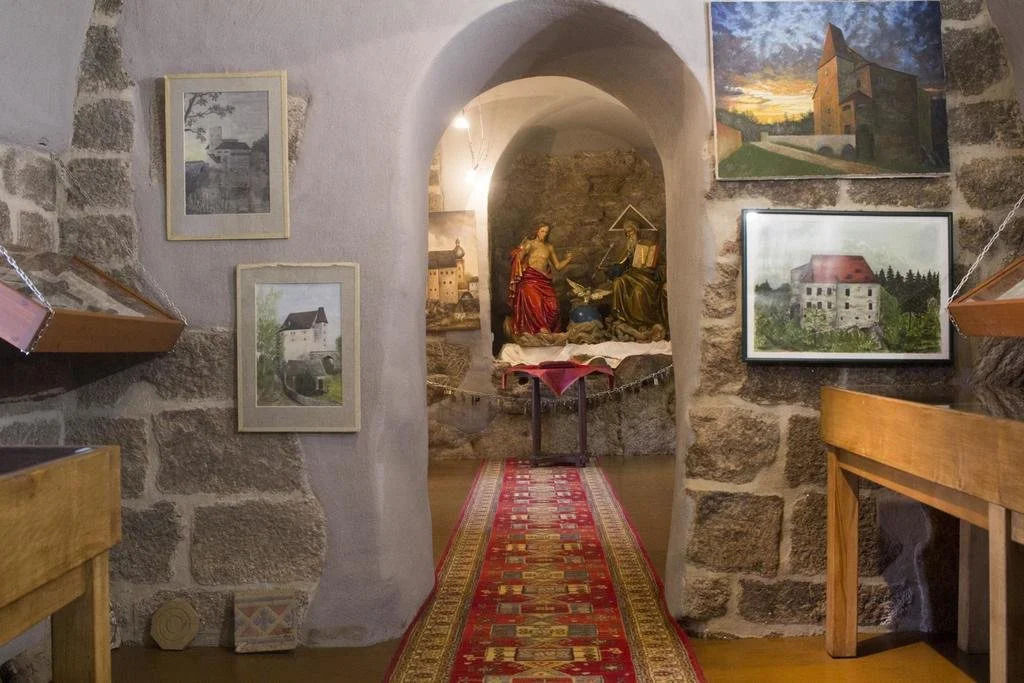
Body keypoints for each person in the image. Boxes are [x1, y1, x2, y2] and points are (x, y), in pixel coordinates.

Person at [507, 223, 572, 335]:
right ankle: (541, 328)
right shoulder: (530, 243)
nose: (544, 234)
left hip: (544, 280)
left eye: (546, 232)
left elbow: (557, 266)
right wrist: (521, 249)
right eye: (542, 231)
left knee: (554, 307)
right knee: (536, 303)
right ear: (537, 231)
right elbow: (518, 259)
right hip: (530, 279)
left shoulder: (549, 247)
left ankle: (547, 330)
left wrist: (567, 260)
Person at [607, 220, 666, 331]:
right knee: (618, 283)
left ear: (636, 230)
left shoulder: (648, 244)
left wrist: (654, 268)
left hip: (647, 278)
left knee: (638, 292)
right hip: (632, 275)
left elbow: (662, 264)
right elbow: (621, 264)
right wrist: (615, 268)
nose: (629, 235)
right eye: (627, 233)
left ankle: (642, 322)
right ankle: (621, 317)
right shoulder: (627, 248)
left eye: (631, 231)